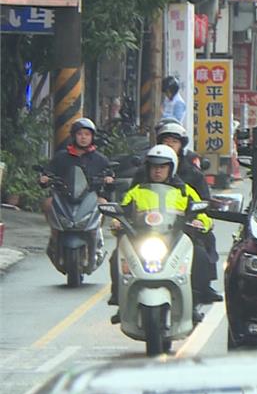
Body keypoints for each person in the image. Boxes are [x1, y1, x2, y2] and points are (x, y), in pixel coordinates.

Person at [109, 145, 218, 316]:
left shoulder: (185, 192)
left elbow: (203, 213)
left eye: (162, 167)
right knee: (117, 256)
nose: (157, 171)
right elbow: (123, 209)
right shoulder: (137, 191)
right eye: (154, 167)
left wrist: (200, 221)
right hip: (142, 238)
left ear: (171, 168)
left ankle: (195, 300)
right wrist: (116, 221)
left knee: (200, 256)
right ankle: (119, 298)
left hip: (176, 238)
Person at [38, 117, 114, 249]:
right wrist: (44, 178)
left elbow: (110, 174)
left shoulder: (100, 159)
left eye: (87, 134)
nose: (83, 138)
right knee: (47, 203)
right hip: (64, 196)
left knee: (103, 204)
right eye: (79, 134)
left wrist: (109, 179)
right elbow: (48, 171)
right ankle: (55, 234)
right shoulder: (62, 156)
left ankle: (96, 235)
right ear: (73, 136)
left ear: (92, 137)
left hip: (90, 196)